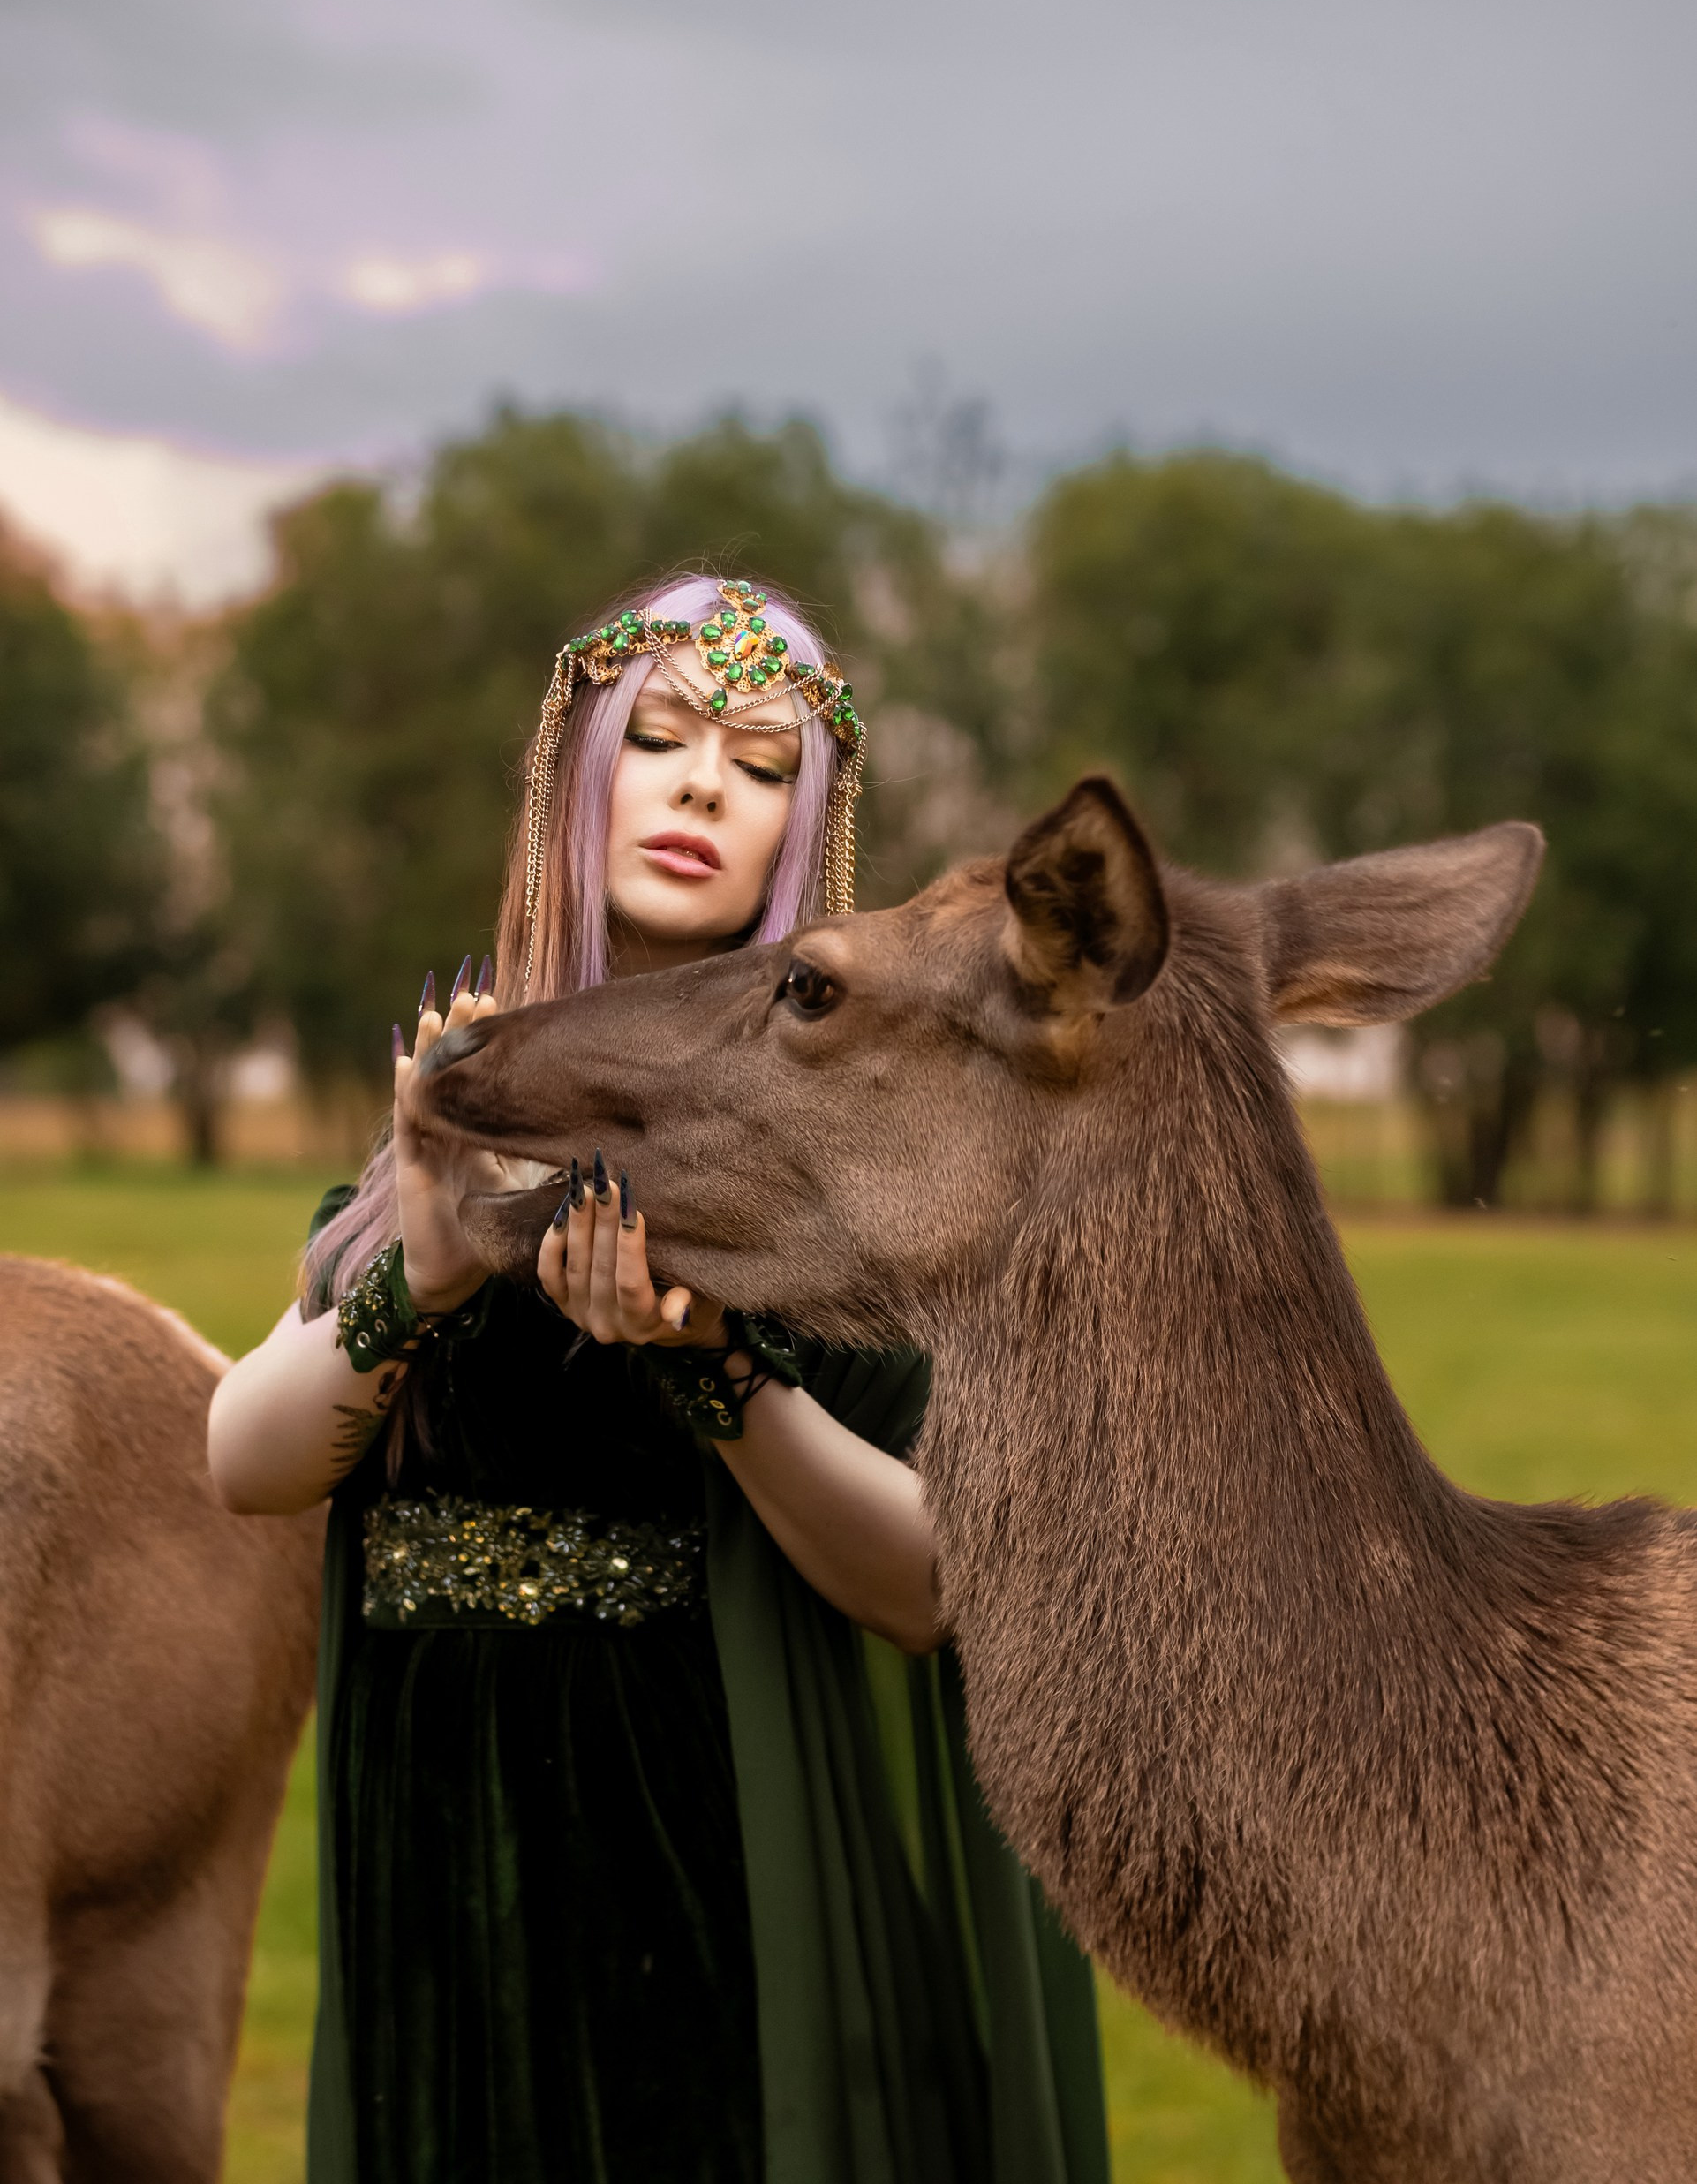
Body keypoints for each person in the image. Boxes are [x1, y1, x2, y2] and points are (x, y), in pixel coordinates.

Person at [207, 573, 1109, 2184]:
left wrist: (712, 1373)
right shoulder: (467, 1087)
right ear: (582, 773)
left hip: (686, 1822)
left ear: (801, 829)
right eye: (666, 739)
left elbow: (928, 1585)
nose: (703, 787)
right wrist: (421, 1268)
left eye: (761, 765)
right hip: (427, 1814)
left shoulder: (858, 1174)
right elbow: (246, 1458)